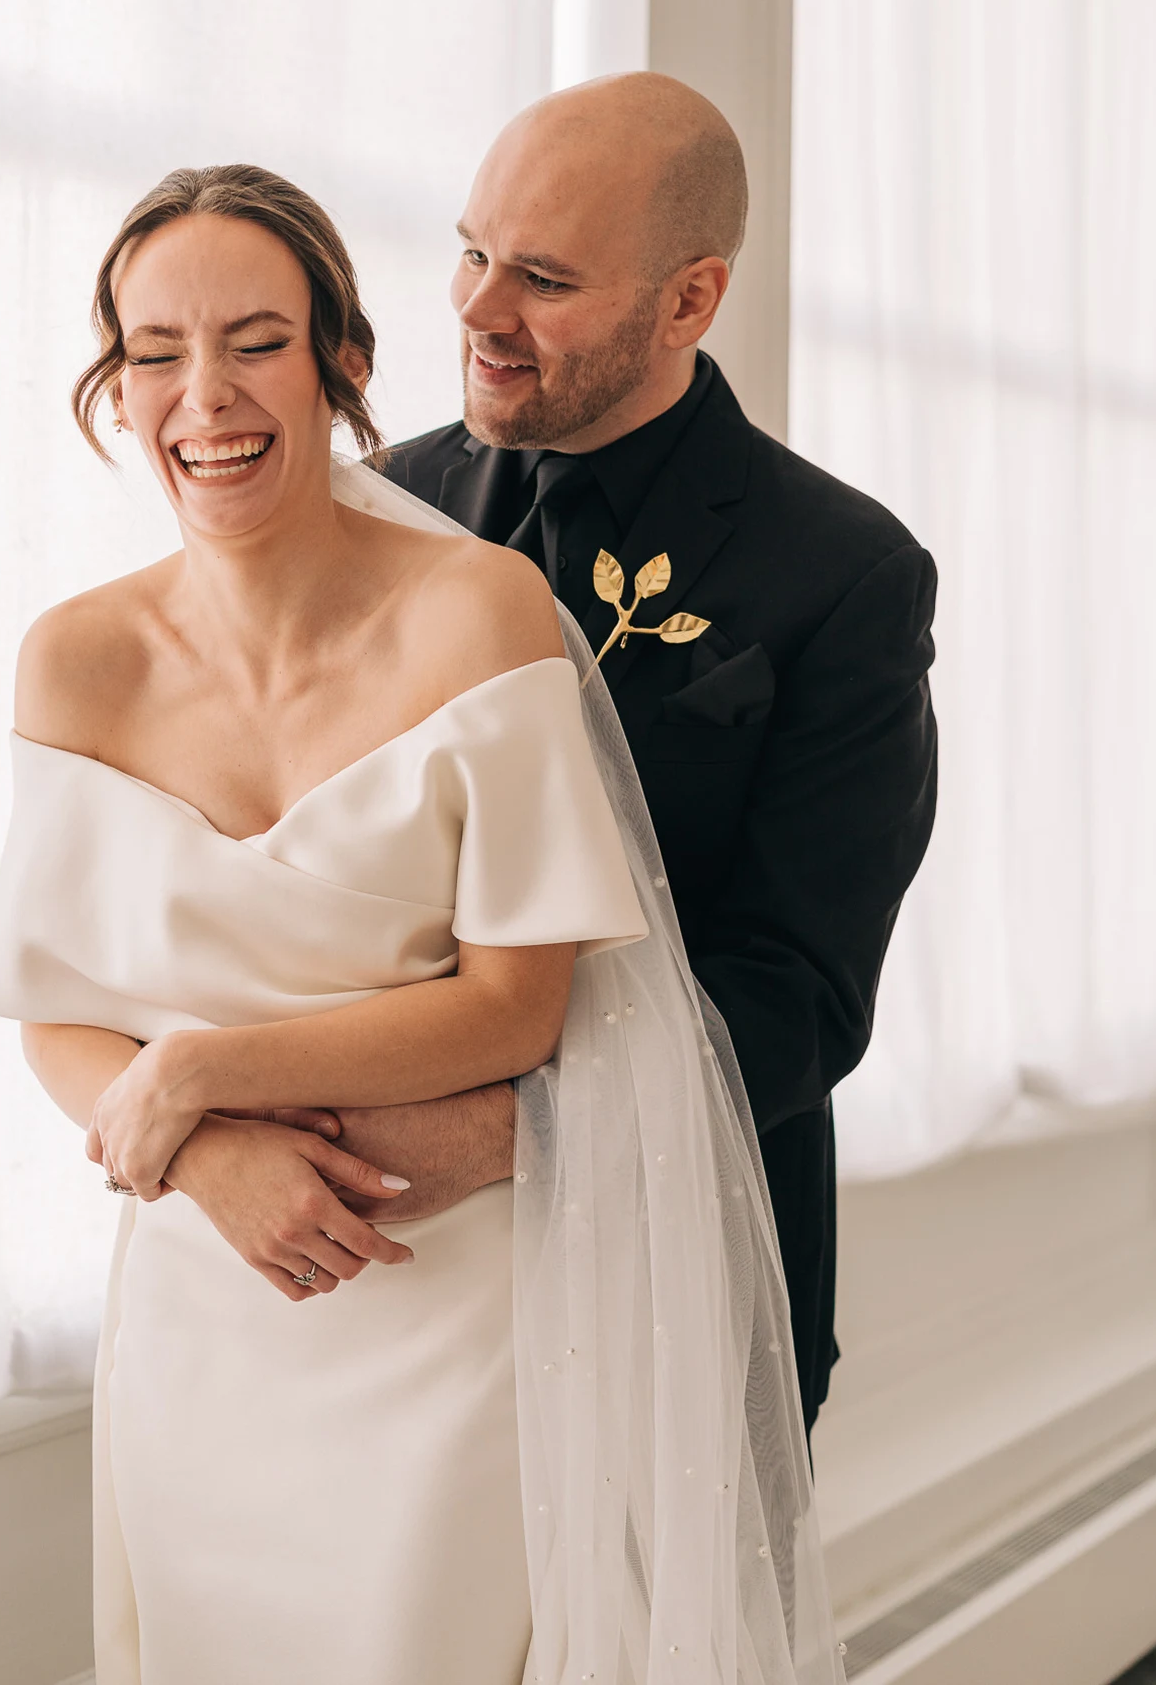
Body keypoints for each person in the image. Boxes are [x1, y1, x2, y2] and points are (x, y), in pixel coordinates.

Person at [0, 165, 845, 1684]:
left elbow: (515, 1007)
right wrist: (204, 1151)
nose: (204, 396)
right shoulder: (74, 657)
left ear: (343, 361)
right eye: (156, 351)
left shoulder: (477, 613)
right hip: (202, 1294)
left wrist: (198, 1071)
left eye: (255, 342)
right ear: (115, 383)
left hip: (448, 1299)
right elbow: (56, 1010)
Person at [368, 74, 939, 1434]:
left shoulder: (846, 572)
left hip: (683, 1267)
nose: (477, 309)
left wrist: (508, 1137)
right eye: (471, 250)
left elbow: (801, 990)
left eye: (543, 279)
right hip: (391, 1283)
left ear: (689, 302)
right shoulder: (378, 506)